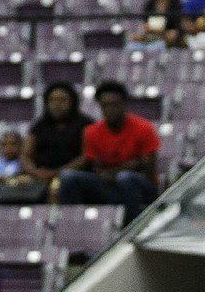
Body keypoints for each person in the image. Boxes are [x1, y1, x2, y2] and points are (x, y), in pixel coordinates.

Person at [58, 81, 159, 224]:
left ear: (124, 104)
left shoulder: (144, 128)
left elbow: (148, 166)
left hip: (140, 186)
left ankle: (131, 229)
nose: (110, 109)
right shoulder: (91, 131)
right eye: (105, 105)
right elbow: (96, 167)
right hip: (109, 183)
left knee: (125, 178)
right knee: (68, 177)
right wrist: (126, 166)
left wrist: (116, 171)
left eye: (115, 104)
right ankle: (73, 225)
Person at [21, 83, 93, 200]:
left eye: (62, 100)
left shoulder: (86, 124)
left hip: (72, 177)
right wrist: (36, 172)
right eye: (52, 100)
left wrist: (57, 172)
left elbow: (86, 157)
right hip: (39, 176)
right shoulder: (39, 126)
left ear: (72, 102)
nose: (57, 105)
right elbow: (25, 156)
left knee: (61, 185)